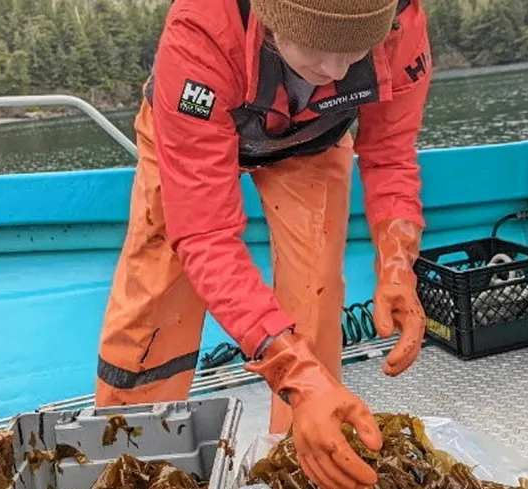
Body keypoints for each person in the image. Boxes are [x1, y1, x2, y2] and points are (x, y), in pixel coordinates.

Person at [94, 0, 431, 486]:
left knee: (315, 296)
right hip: (194, 131)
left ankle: (304, 459)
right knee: (155, 299)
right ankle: (133, 461)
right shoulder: (200, 33)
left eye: (357, 52)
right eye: (319, 50)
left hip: (314, 142)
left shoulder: (403, 24)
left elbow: (390, 153)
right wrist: (287, 366)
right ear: (274, 21)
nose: (336, 70)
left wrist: (398, 265)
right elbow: (206, 234)